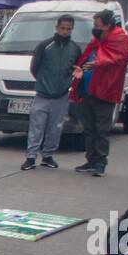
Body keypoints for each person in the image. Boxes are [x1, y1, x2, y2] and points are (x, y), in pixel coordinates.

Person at [72, 10, 128, 177]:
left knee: (101, 129)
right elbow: (84, 58)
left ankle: (100, 162)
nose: (94, 28)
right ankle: (91, 159)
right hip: (88, 89)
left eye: (97, 25)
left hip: (105, 90)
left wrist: (98, 63)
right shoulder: (98, 41)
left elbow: (118, 58)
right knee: (89, 128)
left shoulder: (119, 38)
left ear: (107, 25)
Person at [23, 14, 80, 170]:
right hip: (42, 94)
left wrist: (66, 84)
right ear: (56, 28)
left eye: (68, 29)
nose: (65, 31)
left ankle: (48, 156)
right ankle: (30, 157)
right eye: (62, 28)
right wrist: (43, 82)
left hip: (61, 95)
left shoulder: (74, 49)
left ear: (72, 30)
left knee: (55, 128)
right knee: (37, 127)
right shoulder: (45, 46)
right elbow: (34, 67)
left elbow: (76, 68)